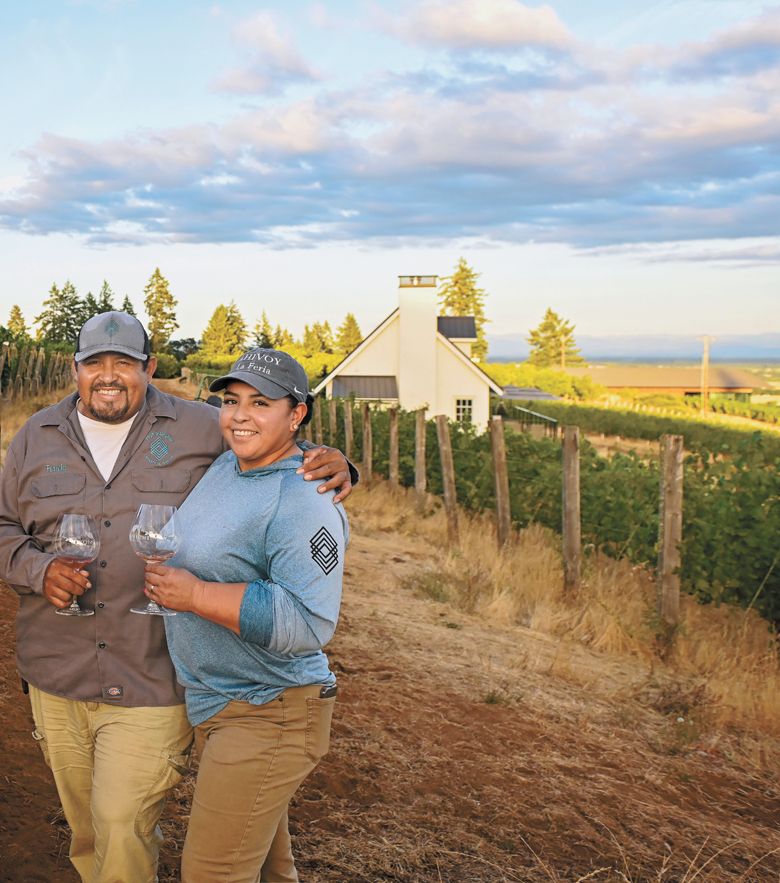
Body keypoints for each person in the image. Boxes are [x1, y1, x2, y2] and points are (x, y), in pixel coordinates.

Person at [0, 311, 354, 883]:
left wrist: (333, 463)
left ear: (150, 367)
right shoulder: (33, 436)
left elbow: (272, 446)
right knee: (90, 830)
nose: (109, 376)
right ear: (76, 368)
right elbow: (2, 527)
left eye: (125, 363)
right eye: (95, 363)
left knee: (123, 825)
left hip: (155, 677)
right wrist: (38, 569)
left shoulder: (197, 426)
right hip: (57, 671)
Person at [143, 347, 347, 883]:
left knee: (214, 872)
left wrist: (194, 596)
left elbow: (309, 622)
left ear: (296, 413)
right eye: (232, 401)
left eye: (261, 403)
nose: (239, 415)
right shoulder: (228, 463)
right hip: (227, 702)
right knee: (268, 871)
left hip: (269, 709)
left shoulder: (301, 496)